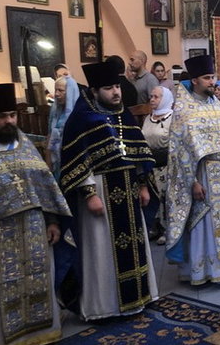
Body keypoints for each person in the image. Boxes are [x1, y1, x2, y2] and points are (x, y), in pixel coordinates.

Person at [59, 62, 158, 321]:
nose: (116, 92)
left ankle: (138, 297)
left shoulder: (123, 114)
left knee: (134, 245)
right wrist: (89, 193)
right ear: (94, 91)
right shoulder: (81, 118)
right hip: (100, 190)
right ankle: (105, 306)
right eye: (108, 88)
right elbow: (76, 160)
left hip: (128, 188)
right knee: (101, 250)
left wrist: (144, 184)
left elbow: (138, 152)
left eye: (117, 86)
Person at [0, 83, 71, 345]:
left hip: (34, 225)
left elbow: (45, 186)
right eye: (2, 116)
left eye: (12, 114)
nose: (9, 121)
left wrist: (53, 221)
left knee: (38, 278)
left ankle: (40, 336)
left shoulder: (26, 146)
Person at [165, 55, 220, 284]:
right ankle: (203, 271)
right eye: (207, 78)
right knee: (204, 223)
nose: (213, 82)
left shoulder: (216, 107)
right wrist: (192, 182)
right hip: (202, 176)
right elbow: (179, 154)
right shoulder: (184, 112)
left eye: (213, 77)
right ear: (195, 80)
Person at [141, 86, 174, 246]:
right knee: (153, 197)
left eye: (156, 97)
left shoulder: (172, 118)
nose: (152, 99)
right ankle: (155, 227)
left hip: (166, 164)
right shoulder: (149, 118)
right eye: (151, 96)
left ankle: (168, 229)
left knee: (166, 198)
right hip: (150, 163)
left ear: (165, 99)